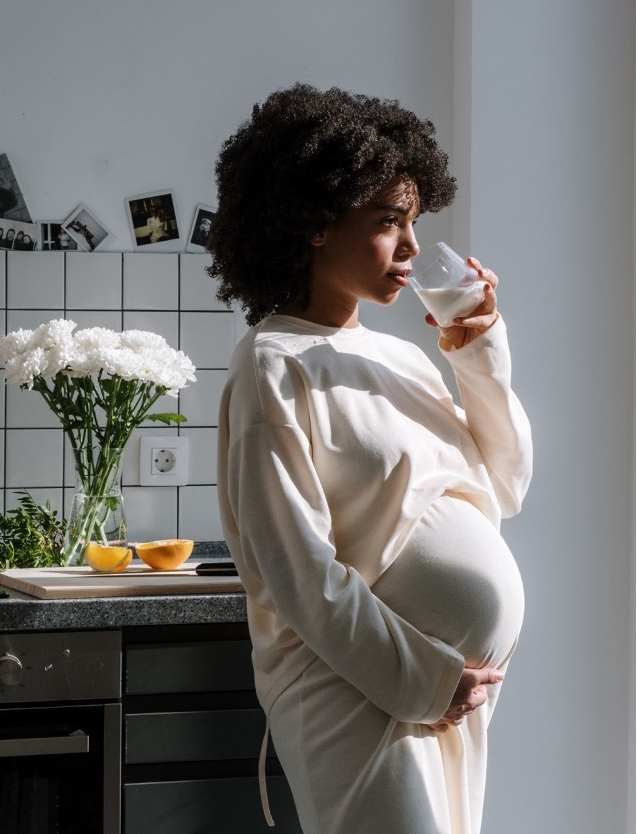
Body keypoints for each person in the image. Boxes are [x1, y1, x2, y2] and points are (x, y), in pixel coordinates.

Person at [208, 84, 532, 834]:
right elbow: (298, 572)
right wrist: (426, 680)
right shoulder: (271, 364)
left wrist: (477, 352)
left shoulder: (402, 359)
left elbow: (504, 487)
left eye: (414, 222)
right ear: (315, 223)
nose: (413, 248)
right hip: (361, 694)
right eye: (390, 222)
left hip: (450, 696)